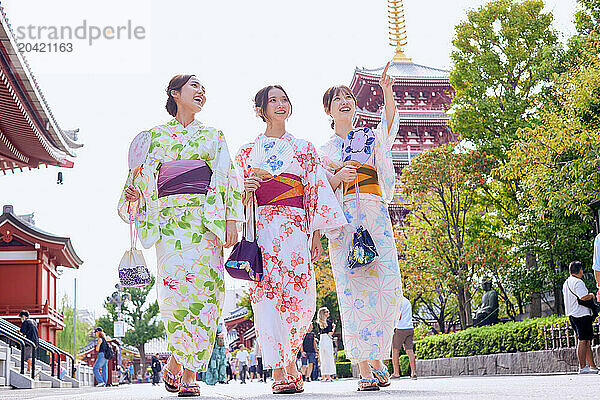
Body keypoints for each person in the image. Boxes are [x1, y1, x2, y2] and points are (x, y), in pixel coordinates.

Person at [119, 75, 244, 397]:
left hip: (205, 225)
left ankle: (188, 371)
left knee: (206, 297)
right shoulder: (155, 137)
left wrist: (231, 219)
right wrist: (134, 191)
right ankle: (178, 359)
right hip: (170, 225)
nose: (201, 91)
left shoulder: (214, 135)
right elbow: (142, 177)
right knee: (176, 298)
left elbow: (227, 179)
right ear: (175, 93)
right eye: (194, 86)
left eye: (204, 87)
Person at [235, 85, 346, 394]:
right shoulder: (246, 152)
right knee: (267, 299)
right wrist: (247, 189)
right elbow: (235, 197)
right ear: (260, 110)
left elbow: (314, 191)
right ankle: (283, 369)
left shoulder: (304, 148)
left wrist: (316, 235)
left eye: (284, 99)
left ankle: (292, 356)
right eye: (273, 101)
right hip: (263, 231)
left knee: (300, 299)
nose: (281, 105)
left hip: (296, 229)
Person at [318, 63, 403, 391]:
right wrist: (337, 178)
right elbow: (318, 188)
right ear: (328, 109)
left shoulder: (368, 136)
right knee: (354, 292)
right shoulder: (323, 150)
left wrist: (386, 90)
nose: (345, 101)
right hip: (345, 222)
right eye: (337, 99)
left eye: (349, 97)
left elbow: (390, 126)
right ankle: (364, 366)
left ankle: (378, 356)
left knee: (387, 285)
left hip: (374, 213)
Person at [563, 261, 598, 374]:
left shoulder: (567, 282)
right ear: (580, 270)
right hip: (581, 314)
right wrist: (592, 295)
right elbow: (583, 297)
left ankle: (592, 366)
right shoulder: (578, 282)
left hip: (573, 314)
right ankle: (582, 367)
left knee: (586, 341)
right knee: (583, 341)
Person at [391, 297, 417, 379]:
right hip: (410, 327)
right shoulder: (407, 301)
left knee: (395, 350)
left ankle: (396, 373)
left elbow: (399, 316)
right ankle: (413, 372)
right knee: (410, 350)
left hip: (400, 328)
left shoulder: (398, 301)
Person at [317, 307, 336, 382]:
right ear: (323, 313)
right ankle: (328, 376)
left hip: (321, 340)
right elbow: (330, 333)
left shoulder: (319, 323)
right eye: (327, 312)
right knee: (329, 357)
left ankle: (324, 376)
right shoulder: (329, 322)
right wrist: (334, 327)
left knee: (323, 358)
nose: (328, 313)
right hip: (327, 340)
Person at [18, 310, 38, 375]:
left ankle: (32, 369)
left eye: (21, 317)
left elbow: (22, 332)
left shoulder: (25, 322)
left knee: (28, 356)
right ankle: (31, 369)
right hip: (35, 341)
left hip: (29, 341)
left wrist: (18, 331)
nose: (21, 319)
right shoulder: (34, 322)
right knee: (31, 355)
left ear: (23, 316)